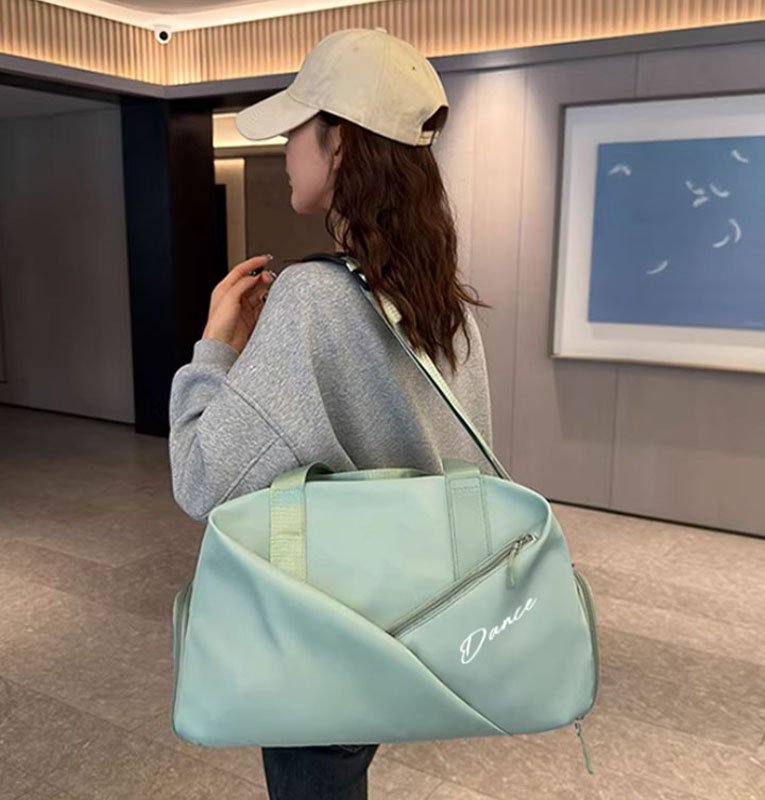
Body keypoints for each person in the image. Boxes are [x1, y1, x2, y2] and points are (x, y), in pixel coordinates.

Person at [168, 27, 495, 800]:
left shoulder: (313, 301)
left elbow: (201, 479)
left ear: (339, 143)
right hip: (410, 624)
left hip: (324, 634)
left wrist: (214, 348)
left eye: (295, 127)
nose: (284, 148)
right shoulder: (445, 308)